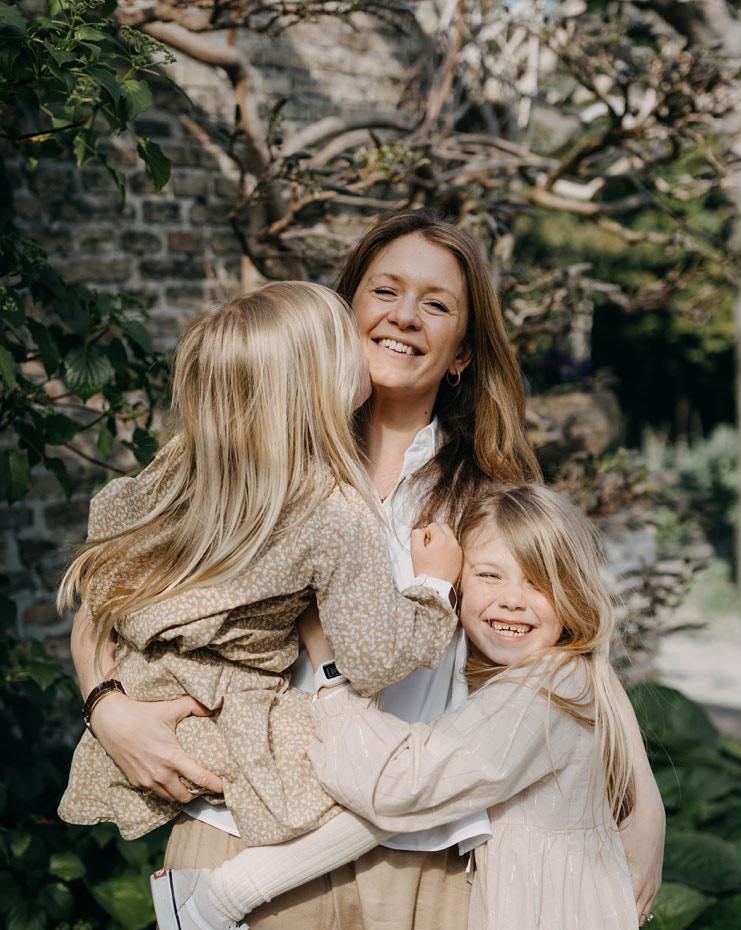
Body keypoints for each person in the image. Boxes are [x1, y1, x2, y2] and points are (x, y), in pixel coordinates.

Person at [70, 210, 667, 930]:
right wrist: (108, 708)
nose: (404, 316)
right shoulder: (239, 450)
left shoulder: (485, 492)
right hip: (233, 834)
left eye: (438, 304)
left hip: (413, 863)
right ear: (341, 311)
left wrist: (644, 799)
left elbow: (567, 636)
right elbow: (107, 599)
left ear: (463, 352)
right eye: (385, 290)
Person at [156, 482, 672, 930]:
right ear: (461, 584)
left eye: (540, 582)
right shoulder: (551, 677)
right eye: (489, 575)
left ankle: (220, 898)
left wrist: (332, 677)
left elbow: (403, 784)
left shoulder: (547, 692)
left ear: (574, 596)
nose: (513, 599)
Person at [58, 279, 462, 874]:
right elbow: (376, 656)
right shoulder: (332, 509)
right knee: (395, 782)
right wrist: (432, 588)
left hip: (156, 699)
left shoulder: (186, 465)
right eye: (345, 344)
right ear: (314, 383)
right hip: (233, 737)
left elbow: (104, 587)